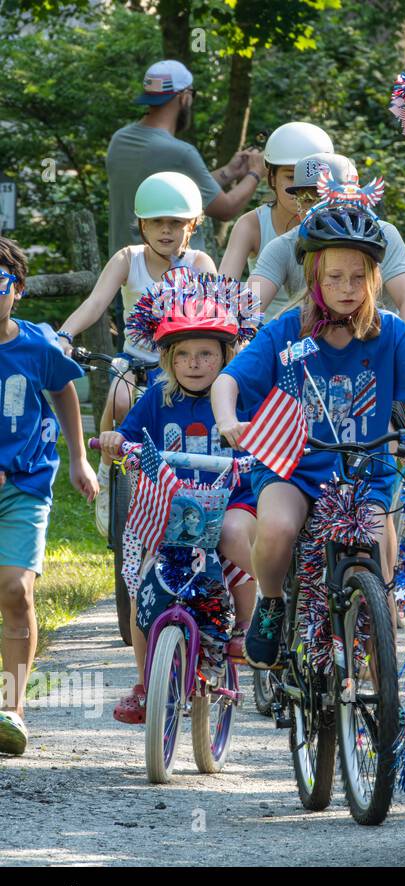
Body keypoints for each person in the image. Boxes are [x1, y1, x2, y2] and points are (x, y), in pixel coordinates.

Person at [213, 203, 405, 668]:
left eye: (357, 277)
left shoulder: (390, 334)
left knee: (374, 543)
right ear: (313, 276)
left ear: (374, 277)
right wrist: (229, 420)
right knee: (277, 528)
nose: (346, 289)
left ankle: (374, 660)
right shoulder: (284, 332)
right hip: (293, 466)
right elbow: (227, 381)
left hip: (364, 471)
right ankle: (271, 603)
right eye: (334, 277)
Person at [98, 277, 257, 723]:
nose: (194, 363)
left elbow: (265, 437)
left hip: (229, 502)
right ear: (167, 358)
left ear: (226, 356)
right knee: (142, 585)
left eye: (206, 353)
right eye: (183, 354)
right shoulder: (156, 399)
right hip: (170, 510)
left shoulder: (238, 398)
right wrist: (114, 439)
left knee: (233, 538)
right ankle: (146, 683)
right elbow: (127, 437)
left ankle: (248, 625)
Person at [56, 172, 214, 533]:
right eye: (156, 222)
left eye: (175, 222)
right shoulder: (129, 259)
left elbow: (214, 314)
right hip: (134, 362)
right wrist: (65, 333)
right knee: (121, 399)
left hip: (180, 365)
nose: (165, 231)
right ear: (142, 225)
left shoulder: (200, 263)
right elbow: (96, 302)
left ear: (192, 224)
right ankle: (110, 470)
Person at [0, 238, 98, 756]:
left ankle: (11, 709)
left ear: (14, 290)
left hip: (25, 484)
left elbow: (62, 388)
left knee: (15, 590)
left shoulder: (36, 347)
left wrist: (80, 458)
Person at [248, 153, 405, 341]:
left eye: (328, 197)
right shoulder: (283, 247)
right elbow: (245, 311)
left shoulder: (384, 235)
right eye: (307, 199)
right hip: (312, 354)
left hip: (377, 349)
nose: (319, 208)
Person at [107, 60, 265, 255]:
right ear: (184, 98)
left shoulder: (119, 140)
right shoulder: (180, 152)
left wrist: (229, 172)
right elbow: (226, 209)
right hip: (172, 278)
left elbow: (180, 188)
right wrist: (255, 172)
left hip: (125, 271)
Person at [218, 122, 333, 320]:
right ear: (271, 176)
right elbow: (221, 294)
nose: (300, 188)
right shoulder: (251, 225)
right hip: (266, 339)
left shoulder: (341, 222)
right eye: (290, 176)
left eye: (310, 177)